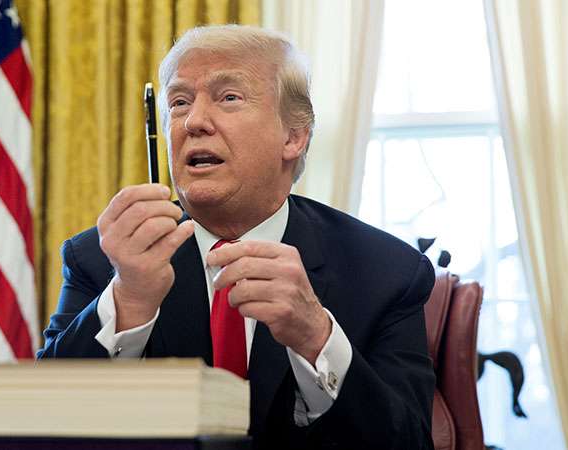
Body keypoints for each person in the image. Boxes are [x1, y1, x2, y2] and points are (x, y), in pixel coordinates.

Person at [38, 24, 435, 450]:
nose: (194, 121)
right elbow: (41, 425)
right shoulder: (103, 258)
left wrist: (316, 337)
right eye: (179, 102)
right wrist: (129, 300)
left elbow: (409, 442)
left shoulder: (386, 272)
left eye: (228, 97)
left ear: (293, 136)